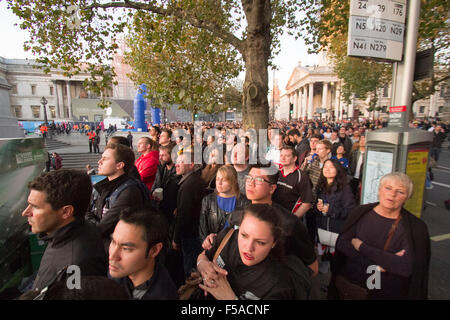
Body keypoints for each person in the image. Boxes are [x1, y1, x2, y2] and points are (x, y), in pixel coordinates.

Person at [328, 172, 431, 300]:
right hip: (351, 287)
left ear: (407, 197)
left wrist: (361, 247)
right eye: (388, 188)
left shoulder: (415, 228)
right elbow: (343, 245)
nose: (392, 194)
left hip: (388, 293)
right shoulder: (361, 212)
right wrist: (382, 262)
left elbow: (405, 267)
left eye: (400, 192)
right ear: (379, 190)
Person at [196, 204, 309, 300]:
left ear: (273, 243)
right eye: (244, 235)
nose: (249, 247)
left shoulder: (278, 285)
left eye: (260, 242)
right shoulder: (227, 237)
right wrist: (202, 265)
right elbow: (203, 256)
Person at [22, 169, 107, 293]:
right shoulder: (71, 231)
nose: (25, 212)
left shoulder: (76, 265)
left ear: (66, 212)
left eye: (35, 206)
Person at [86, 143, 148, 250]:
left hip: (116, 252)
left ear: (119, 165)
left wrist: (88, 219)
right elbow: (88, 212)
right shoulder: (103, 186)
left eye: (104, 159)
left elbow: (102, 228)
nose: (99, 162)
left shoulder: (129, 191)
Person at [109, 206, 179, 300]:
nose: (113, 256)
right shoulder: (118, 274)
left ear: (154, 250)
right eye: (113, 242)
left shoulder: (163, 294)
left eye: (126, 248)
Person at [314, 159, 356, 274]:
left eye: (331, 167)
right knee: (327, 257)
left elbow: (351, 211)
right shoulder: (321, 186)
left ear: (338, 170)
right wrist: (318, 207)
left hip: (337, 232)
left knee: (337, 264)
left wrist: (331, 210)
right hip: (324, 230)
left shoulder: (345, 189)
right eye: (325, 167)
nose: (327, 169)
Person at [173, 151, 206, 277]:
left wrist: (176, 238)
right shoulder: (192, 180)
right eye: (177, 161)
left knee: (191, 270)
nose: (177, 164)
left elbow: (184, 215)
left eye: (181, 162)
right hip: (192, 233)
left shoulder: (190, 184)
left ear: (191, 165)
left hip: (190, 235)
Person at [199, 165, 251, 246]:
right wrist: (206, 243)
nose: (219, 183)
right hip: (213, 247)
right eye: (217, 179)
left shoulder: (245, 202)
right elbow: (203, 228)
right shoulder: (208, 200)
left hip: (235, 248)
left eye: (224, 180)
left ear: (233, 181)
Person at [272, 146, 313, 219]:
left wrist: (292, 219)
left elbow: (307, 203)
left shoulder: (302, 177)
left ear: (294, 158)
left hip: (289, 219)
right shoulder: (276, 173)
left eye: (287, 156)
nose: (283, 158)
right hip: (273, 216)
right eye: (281, 155)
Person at [348, 135, 366, 203]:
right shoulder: (354, 152)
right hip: (352, 177)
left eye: (364, 140)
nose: (362, 142)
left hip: (362, 179)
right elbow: (349, 164)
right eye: (361, 140)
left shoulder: (368, 154)